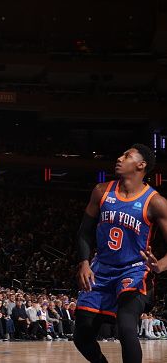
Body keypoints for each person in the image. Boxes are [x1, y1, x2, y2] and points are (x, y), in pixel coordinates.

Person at [74, 144, 167, 363]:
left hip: (134, 271)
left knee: (125, 324)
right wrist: (84, 262)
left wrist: (160, 266)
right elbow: (84, 232)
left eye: (127, 156)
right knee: (82, 334)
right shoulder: (102, 191)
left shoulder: (156, 202)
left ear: (141, 165)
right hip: (101, 270)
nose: (119, 158)